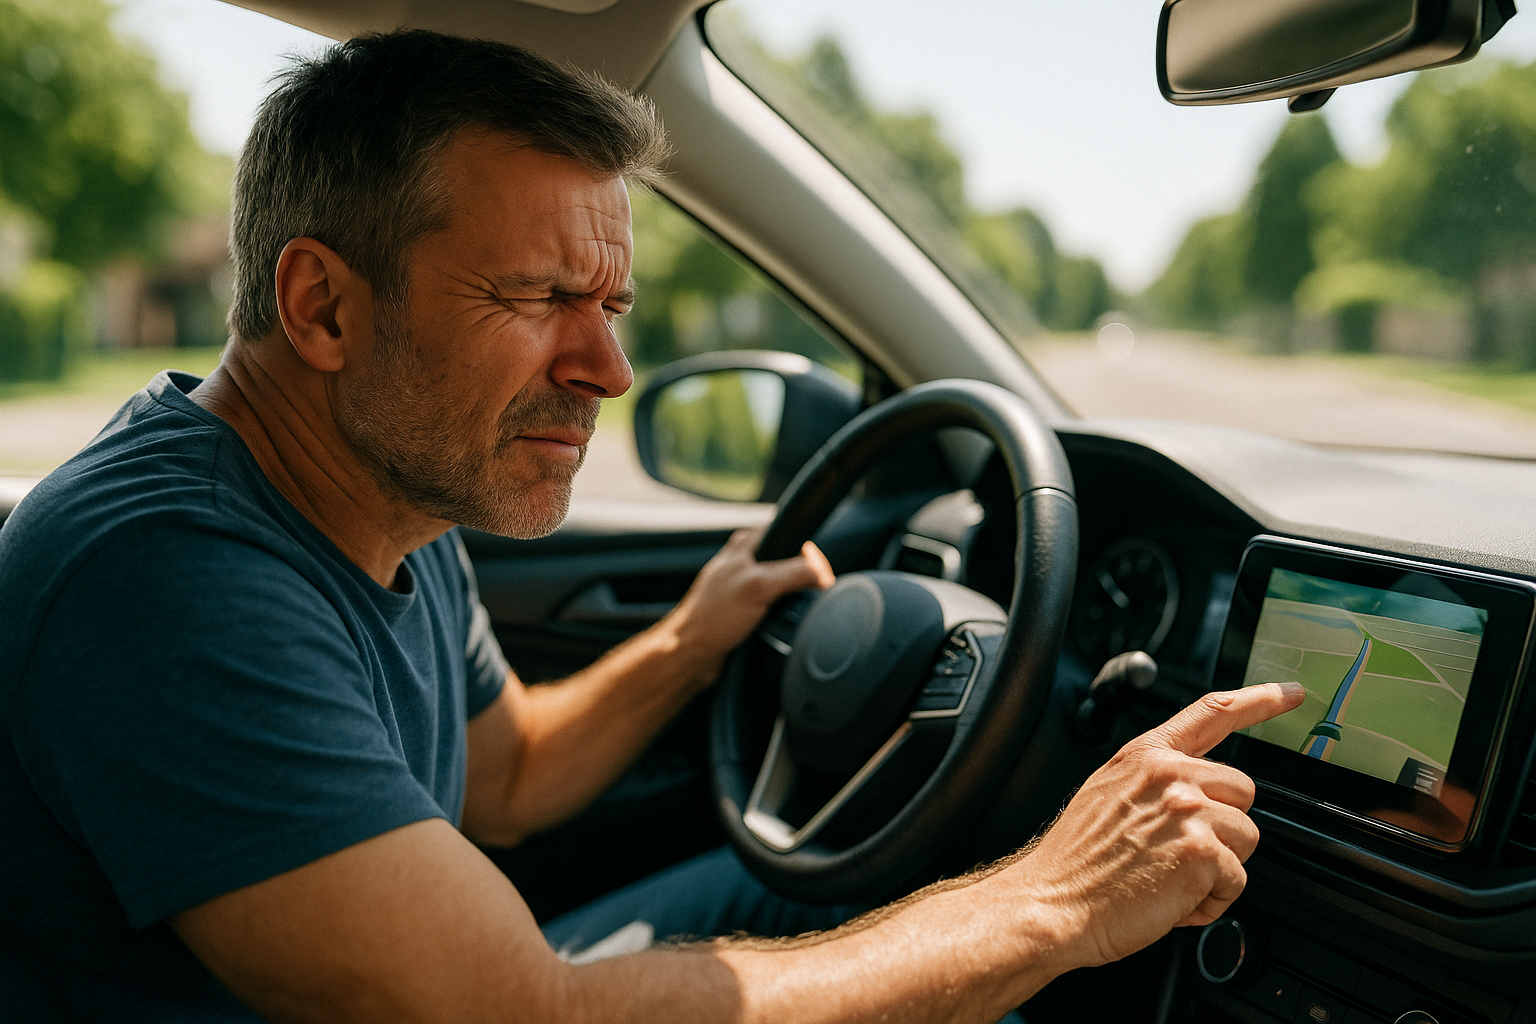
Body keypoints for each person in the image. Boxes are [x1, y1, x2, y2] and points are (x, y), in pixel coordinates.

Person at [0, 28, 1303, 1023]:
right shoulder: (164, 573)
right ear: (326, 309)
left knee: (862, 900)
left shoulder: (386, 490)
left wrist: (695, 636)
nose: (608, 368)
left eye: (611, 303)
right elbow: (510, 1014)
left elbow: (503, 775)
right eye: (543, 295)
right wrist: (1058, 898)